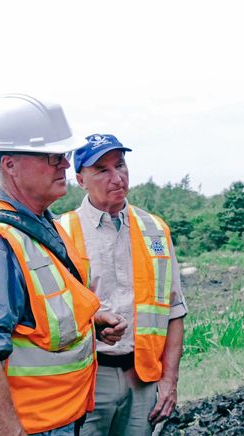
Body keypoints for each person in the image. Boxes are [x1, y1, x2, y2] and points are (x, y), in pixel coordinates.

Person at [0, 94, 114, 435]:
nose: (65, 165)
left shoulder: (40, 224)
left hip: (55, 420)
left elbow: (40, 313)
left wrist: (91, 323)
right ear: (9, 164)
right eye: (52, 157)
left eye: (63, 155)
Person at [58, 133, 187, 435]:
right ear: (80, 179)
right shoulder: (60, 233)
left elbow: (174, 310)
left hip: (142, 380)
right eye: (102, 170)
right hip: (86, 379)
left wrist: (168, 380)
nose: (117, 177)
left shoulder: (155, 230)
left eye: (120, 165)